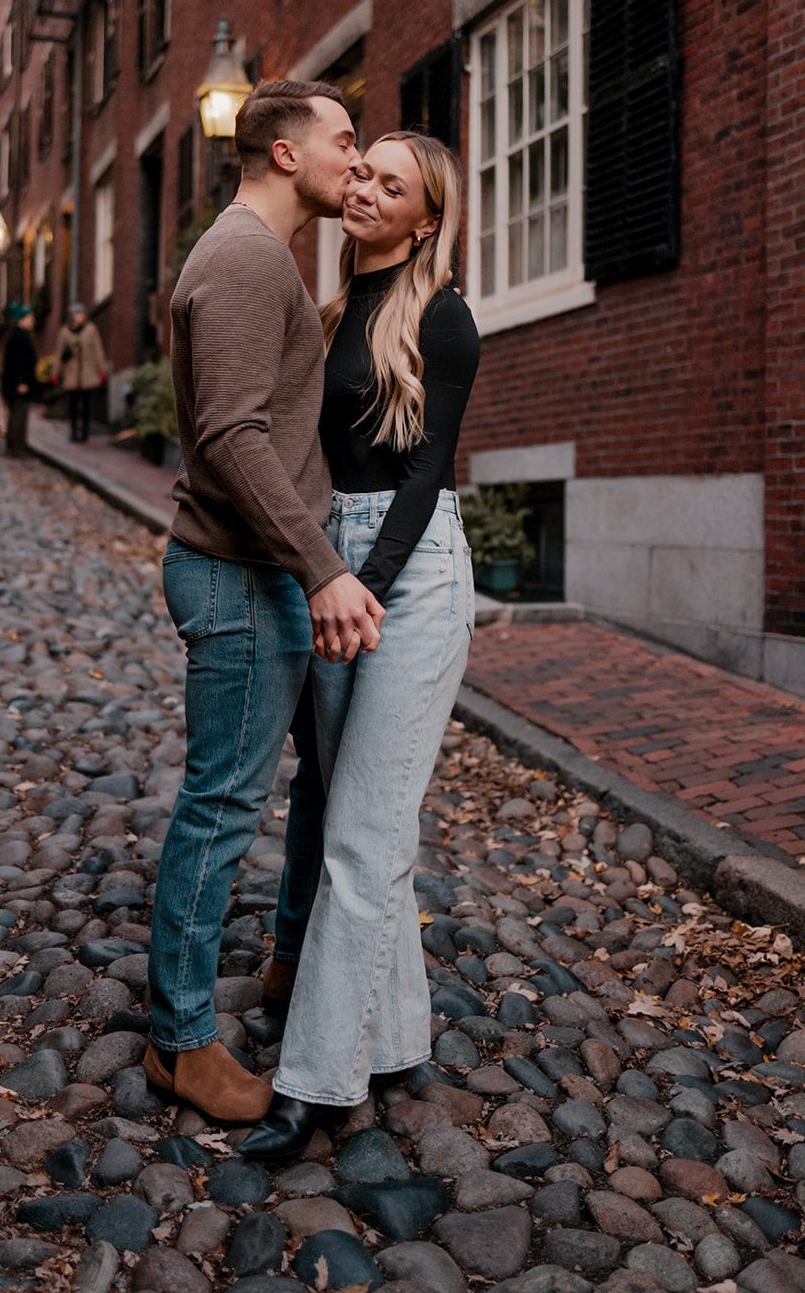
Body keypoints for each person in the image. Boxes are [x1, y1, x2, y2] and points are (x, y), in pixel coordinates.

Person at [143, 80, 386, 1127]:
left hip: (268, 570)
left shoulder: (257, 255)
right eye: (342, 140)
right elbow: (235, 437)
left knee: (321, 778)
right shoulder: (243, 258)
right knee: (222, 807)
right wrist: (320, 566)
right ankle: (182, 1039)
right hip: (245, 575)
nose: (356, 158)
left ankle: (289, 965)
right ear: (284, 154)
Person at [239, 131, 480, 1161]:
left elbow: (426, 473)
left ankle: (315, 1079)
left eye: (393, 184)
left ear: (424, 217)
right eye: (364, 174)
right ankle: (396, 1041)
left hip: (409, 573)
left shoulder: (442, 315)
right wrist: (315, 574)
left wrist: (360, 590)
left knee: (361, 836)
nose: (367, 190)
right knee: (357, 816)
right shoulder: (330, 313)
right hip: (332, 565)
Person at [58, 303, 106, 442]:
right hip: (72, 373)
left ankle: (85, 432)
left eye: (82, 314)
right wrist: (56, 372)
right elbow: (59, 351)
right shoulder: (65, 331)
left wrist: (102, 369)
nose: (80, 317)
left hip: (88, 373)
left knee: (86, 405)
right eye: (77, 314)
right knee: (73, 404)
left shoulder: (91, 329)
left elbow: (98, 350)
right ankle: (73, 430)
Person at [1, 305, 38, 457]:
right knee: (18, 414)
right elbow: (19, 362)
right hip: (18, 384)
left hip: (15, 383)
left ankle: (16, 444)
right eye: (30, 318)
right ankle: (16, 446)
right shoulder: (19, 337)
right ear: (21, 320)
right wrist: (22, 382)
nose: (33, 321)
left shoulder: (19, 335)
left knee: (18, 413)